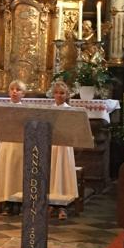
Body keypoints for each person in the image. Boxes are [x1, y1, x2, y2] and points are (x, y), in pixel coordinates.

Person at [0, 80, 27, 215]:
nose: (14, 92)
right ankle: (7, 202)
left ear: (23, 94)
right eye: (12, 89)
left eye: (18, 90)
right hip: (6, 144)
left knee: (18, 173)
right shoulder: (3, 109)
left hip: (19, 145)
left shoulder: (26, 110)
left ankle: (20, 202)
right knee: (7, 172)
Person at [48, 80, 79, 219]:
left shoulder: (70, 110)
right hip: (52, 146)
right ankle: (50, 202)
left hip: (64, 147)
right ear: (53, 94)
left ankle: (62, 206)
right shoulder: (49, 110)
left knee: (63, 173)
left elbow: (73, 129)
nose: (59, 95)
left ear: (66, 95)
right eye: (56, 93)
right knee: (52, 173)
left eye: (62, 93)